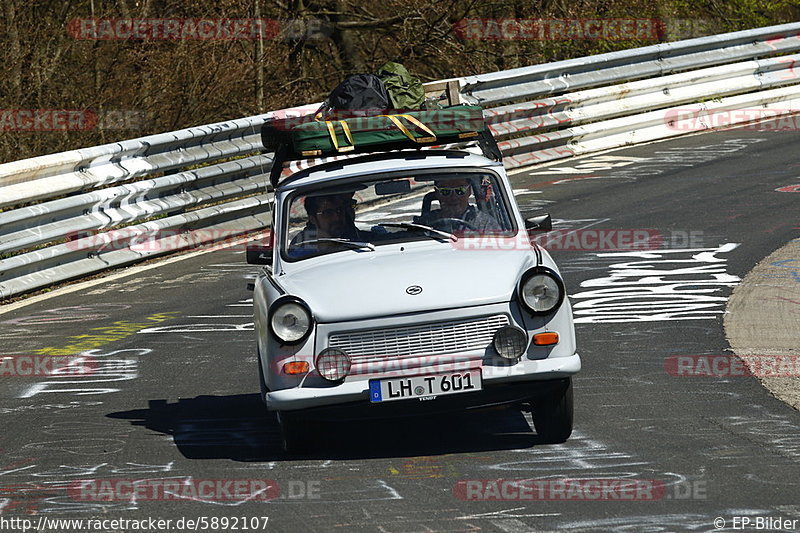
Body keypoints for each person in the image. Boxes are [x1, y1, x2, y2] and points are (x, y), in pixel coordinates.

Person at [288, 193, 368, 256]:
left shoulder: (361, 239)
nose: (337, 217)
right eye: (328, 213)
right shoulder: (302, 248)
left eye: (339, 210)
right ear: (313, 219)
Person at [415, 178, 499, 233]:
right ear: (437, 193)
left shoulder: (485, 224)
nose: (453, 197)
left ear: (469, 191)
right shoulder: (424, 224)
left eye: (460, 190)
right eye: (445, 191)